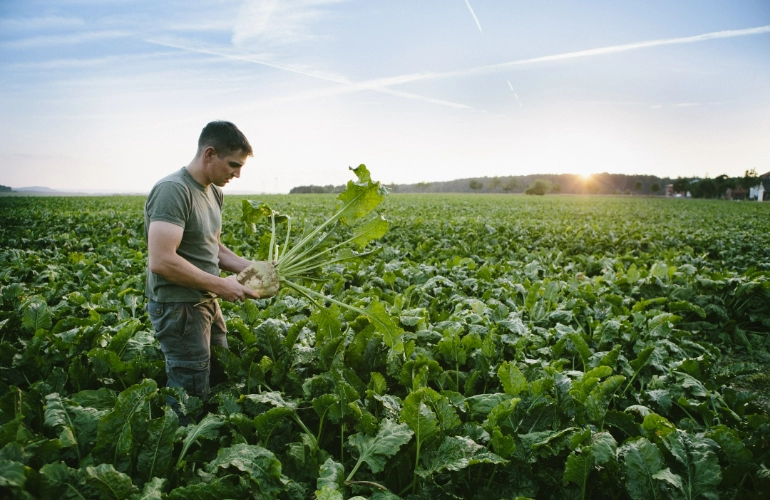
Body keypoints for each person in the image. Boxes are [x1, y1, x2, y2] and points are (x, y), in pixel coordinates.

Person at [144, 121, 271, 420]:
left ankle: (210, 442)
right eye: (233, 165)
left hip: (206, 301)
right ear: (209, 154)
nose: (237, 174)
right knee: (189, 390)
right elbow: (161, 260)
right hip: (179, 308)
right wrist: (220, 285)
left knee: (218, 373)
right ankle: (180, 449)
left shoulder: (213, 192)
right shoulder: (173, 190)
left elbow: (212, 245)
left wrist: (253, 269)